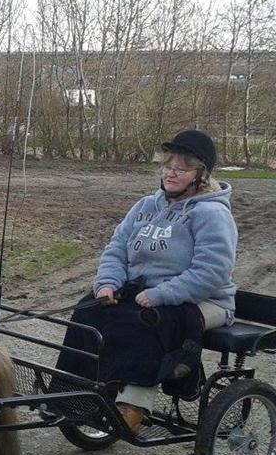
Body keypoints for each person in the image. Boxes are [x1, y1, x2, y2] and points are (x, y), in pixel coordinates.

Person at [61, 130, 238, 434]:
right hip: (144, 293)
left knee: (148, 322)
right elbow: (116, 249)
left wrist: (162, 293)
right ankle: (79, 393)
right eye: (167, 166)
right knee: (89, 311)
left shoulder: (212, 214)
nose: (171, 173)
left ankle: (133, 405)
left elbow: (212, 272)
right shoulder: (146, 207)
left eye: (181, 168)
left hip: (203, 301)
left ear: (201, 174)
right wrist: (108, 283)